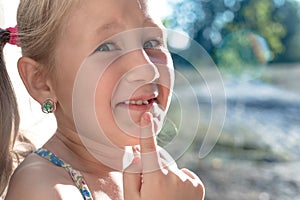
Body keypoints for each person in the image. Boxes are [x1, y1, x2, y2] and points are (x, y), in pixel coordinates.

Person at [1, 0, 205, 199]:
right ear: (41, 82)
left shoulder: (156, 175)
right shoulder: (42, 190)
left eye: (151, 42)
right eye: (106, 47)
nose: (147, 69)